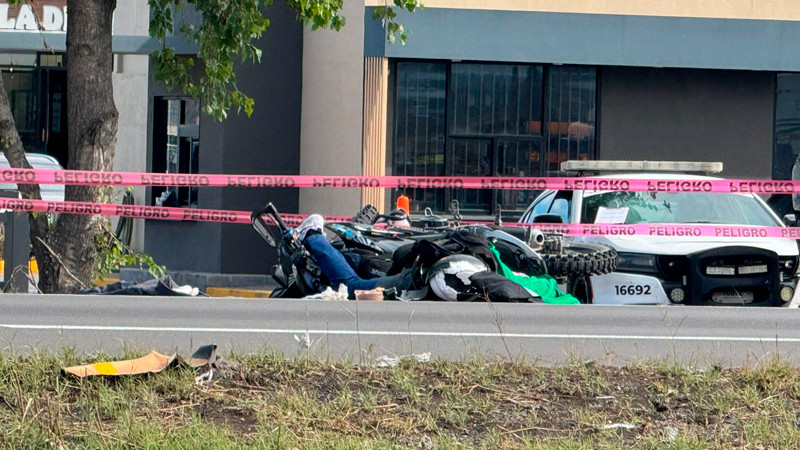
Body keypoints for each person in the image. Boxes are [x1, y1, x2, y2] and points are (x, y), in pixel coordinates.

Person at [295, 215, 413, 298]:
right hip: (407, 282)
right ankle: (313, 239)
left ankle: (312, 236)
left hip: (406, 283)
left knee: (350, 285)